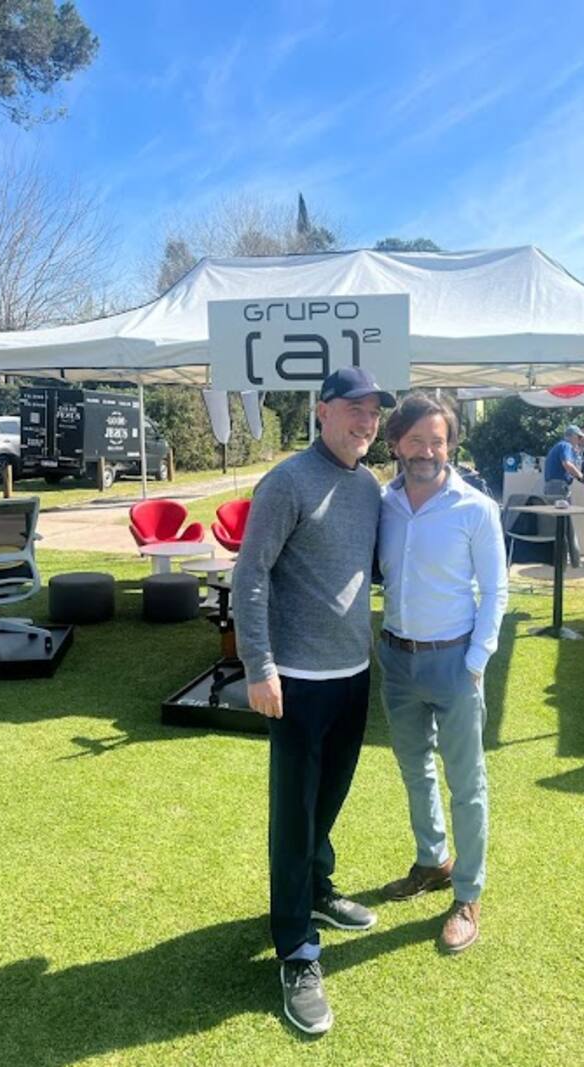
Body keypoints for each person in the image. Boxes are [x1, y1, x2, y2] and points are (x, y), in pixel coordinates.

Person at [232, 366, 395, 1036]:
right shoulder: (287, 482)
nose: (367, 422)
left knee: (329, 799)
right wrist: (259, 666)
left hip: (353, 673)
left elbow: (368, 568)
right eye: (355, 409)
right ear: (322, 411)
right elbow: (250, 574)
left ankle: (318, 885)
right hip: (295, 681)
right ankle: (296, 946)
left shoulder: (369, 487)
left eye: (375, 413)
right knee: (295, 815)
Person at [377, 392, 508, 953]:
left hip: (455, 662)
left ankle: (468, 894)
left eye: (437, 440)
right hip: (396, 660)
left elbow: (496, 591)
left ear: (450, 444)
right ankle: (433, 861)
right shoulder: (382, 503)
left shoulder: (476, 508)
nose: (427, 451)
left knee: (467, 784)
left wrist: (475, 663)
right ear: (395, 444)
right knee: (415, 770)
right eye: (416, 440)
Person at [543, 424, 584, 565]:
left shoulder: (560, 446)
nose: (579, 440)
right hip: (558, 487)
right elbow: (567, 464)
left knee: (558, 522)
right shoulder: (565, 446)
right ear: (571, 436)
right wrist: (580, 475)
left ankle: (563, 557)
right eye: (578, 437)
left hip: (554, 486)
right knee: (562, 522)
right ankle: (565, 558)